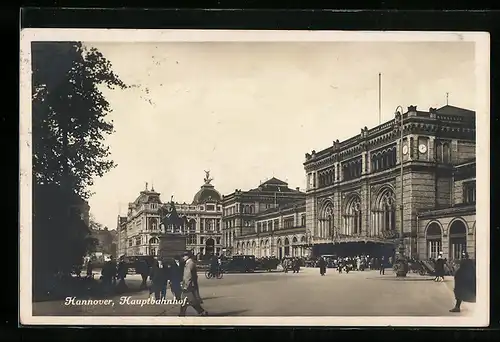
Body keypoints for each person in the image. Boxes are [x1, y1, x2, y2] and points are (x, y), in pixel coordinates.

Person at [179, 251, 208, 316]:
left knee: (189, 300)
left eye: (184, 256)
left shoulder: (189, 263)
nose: (183, 257)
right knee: (188, 300)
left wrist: (185, 285)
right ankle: (201, 312)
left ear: (188, 256)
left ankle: (182, 314)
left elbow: (188, 276)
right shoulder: (189, 263)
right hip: (190, 285)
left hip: (188, 286)